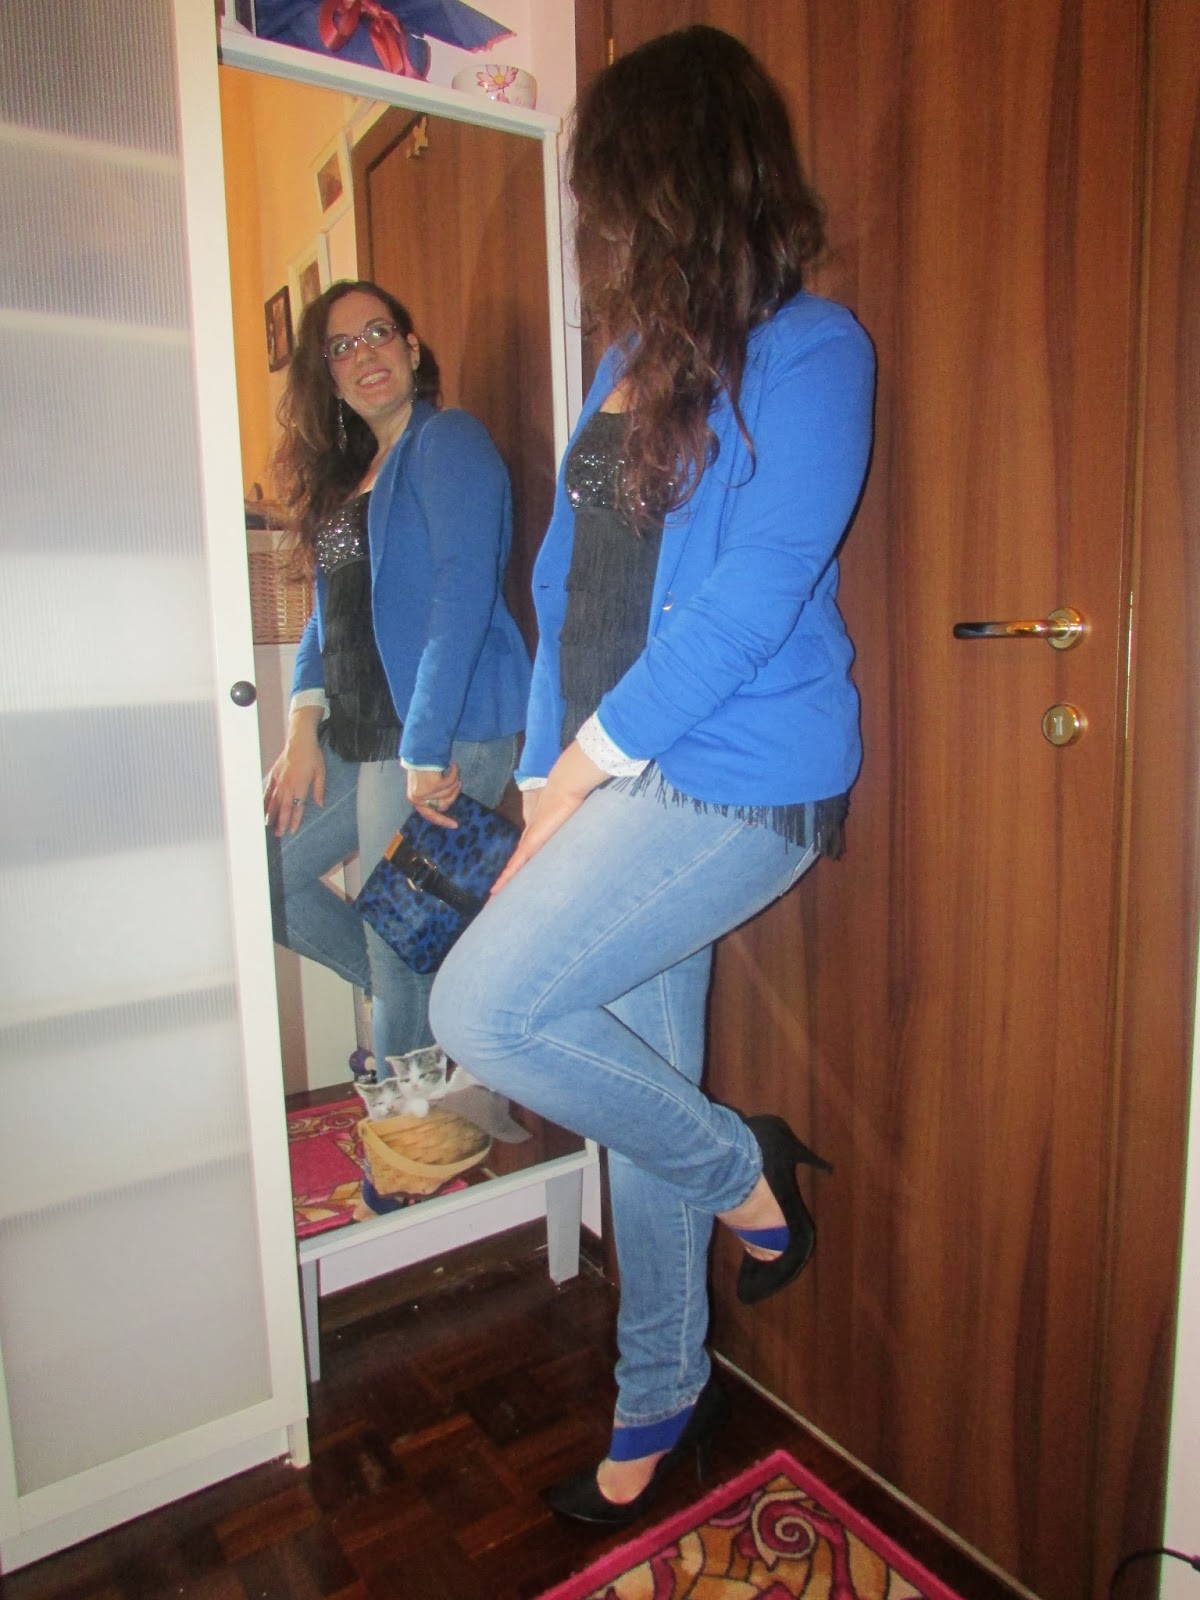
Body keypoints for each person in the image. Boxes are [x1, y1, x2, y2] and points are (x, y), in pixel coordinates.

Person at [429, 26, 875, 1525]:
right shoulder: (627, 364)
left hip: (739, 779)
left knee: (483, 1009)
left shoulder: (816, 353)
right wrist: (545, 780)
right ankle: (662, 1389)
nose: (597, 228)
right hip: (603, 773)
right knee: (637, 1089)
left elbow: (749, 606)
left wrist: (579, 776)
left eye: (613, 191)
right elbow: (566, 581)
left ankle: (747, 1164)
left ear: (682, 180)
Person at [264, 280, 531, 1077]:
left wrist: (424, 745)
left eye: (378, 333)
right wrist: (301, 727)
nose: (365, 354)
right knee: (267, 882)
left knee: (400, 940)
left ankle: (407, 1131)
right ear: (329, 375)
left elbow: (463, 589)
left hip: (439, 731)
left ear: (411, 348)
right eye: (342, 346)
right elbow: (327, 616)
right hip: (358, 732)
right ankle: (429, 1032)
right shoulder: (351, 477)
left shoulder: (447, 441)